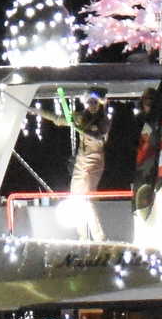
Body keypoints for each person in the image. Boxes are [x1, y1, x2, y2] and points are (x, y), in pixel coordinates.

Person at [40, 88, 110, 240]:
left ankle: (99, 237)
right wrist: (39, 112)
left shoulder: (104, 120)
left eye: (95, 103)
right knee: (76, 198)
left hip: (95, 160)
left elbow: (98, 136)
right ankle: (82, 237)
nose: (92, 106)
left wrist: (78, 128)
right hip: (81, 160)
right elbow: (59, 119)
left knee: (88, 198)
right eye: (89, 102)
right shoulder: (80, 117)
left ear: (100, 104)